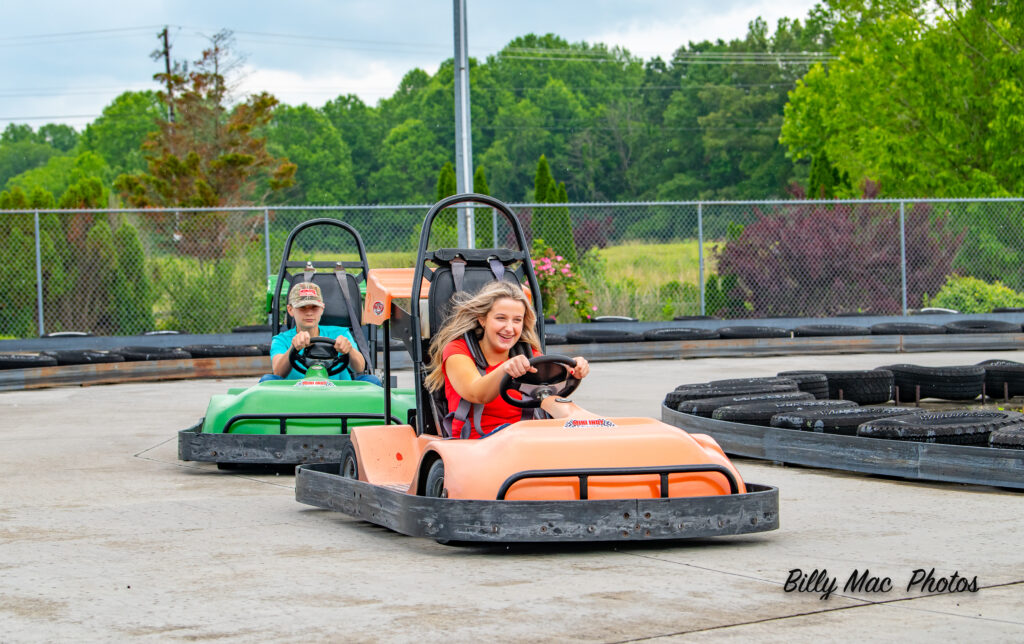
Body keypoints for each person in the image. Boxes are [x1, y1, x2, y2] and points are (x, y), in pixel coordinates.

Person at [425, 281, 590, 438]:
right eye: (501, 318)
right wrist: (505, 368)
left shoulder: (528, 355)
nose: (509, 328)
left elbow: (548, 394)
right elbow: (476, 393)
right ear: (482, 319)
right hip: (474, 443)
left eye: (517, 320)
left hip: (522, 438)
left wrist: (570, 373)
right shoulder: (457, 350)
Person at [261, 281, 381, 384]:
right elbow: (278, 372)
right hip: (296, 396)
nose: (309, 313)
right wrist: (293, 348)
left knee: (372, 381)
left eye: (314, 307)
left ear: (322, 308)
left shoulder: (340, 333)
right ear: (291, 310)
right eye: (302, 308)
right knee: (266, 380)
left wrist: (349, 350)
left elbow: (360, 367)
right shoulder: (281, 340)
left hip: (339, 393)